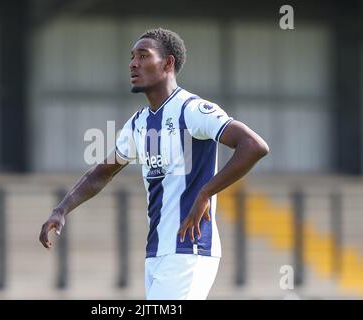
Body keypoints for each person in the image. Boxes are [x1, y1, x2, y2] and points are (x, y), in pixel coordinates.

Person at [39, 28, 269, 299]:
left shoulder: (191, 110)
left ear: (168, 63)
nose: (133, 63)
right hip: (157, 253)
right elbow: (101, 173)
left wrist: (206, 192)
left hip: (188, 249)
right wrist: (61, 209)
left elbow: (254, 146)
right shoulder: (138, 123)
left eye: (143, 56)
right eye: (132, 57)